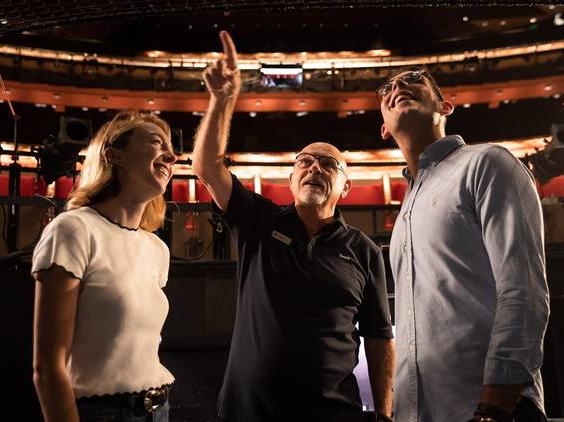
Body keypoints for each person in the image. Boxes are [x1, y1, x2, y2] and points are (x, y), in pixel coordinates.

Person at [191, 31, 395, 422]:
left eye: (328, 164)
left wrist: (383, 414)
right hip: (248, 412)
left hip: (334, 414)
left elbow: (379, 336)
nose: (314, 167)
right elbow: (207, 168)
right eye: (304, 161)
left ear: (346, 186)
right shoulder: (259, 219)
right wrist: (221, 99)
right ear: (291, 178)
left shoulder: (363, 249)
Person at [377, 67, 550, 422]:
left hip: (489, 409)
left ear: (446, 107)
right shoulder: (405, 210)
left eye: (411, 79)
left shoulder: (487, 163)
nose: (398, 87)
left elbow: (524, 291)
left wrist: (494, 406)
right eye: (387, 88)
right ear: (384, 129)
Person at [31, 111, 178, 422]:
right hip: (102, 413)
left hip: (159, 408)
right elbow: (47, 368)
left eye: (171, 146)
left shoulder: (157, 249)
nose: (172, 155)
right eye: (156, 142)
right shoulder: (72, 230)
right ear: (114, 156)